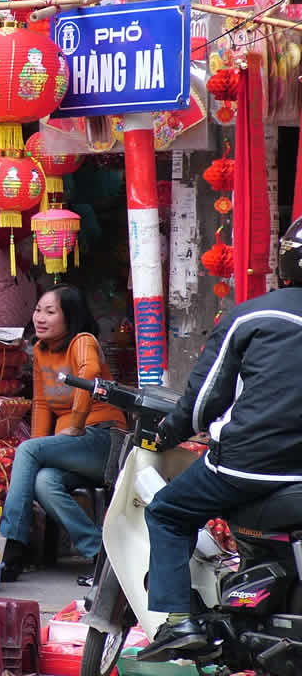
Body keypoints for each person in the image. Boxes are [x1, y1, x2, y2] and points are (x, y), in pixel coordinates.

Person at [136, 216, 302, 662]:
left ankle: (178, 623)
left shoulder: (252, 315)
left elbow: (204, 398)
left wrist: (171, 428)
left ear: (284, 265)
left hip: (248, 466)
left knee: (168, 512)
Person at [0, 284, 125, 582]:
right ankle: (98, 553)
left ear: (70, 317)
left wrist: (78, 422)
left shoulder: (82, 341)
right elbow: (42, 403)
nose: (40, 317)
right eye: (38, 310)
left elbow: (89, 373)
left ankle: (12, 546)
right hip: (72, 448)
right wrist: (41, 446)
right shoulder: (41, 351)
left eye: (50, 312)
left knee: (28, 451)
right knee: (45, 481)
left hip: (102, 438)